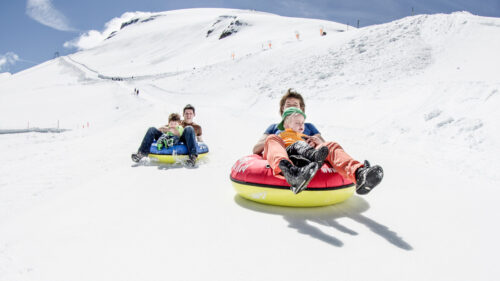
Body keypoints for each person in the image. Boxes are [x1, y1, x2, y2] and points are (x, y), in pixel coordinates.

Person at [252, 89, 383, 195]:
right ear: (282, 109)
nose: (292, 108)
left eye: (295, 106)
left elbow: (324, 147)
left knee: (330, 145)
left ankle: (359, 174)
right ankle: (290, 173)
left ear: (301, 109)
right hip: (284, 154)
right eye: (288, 106)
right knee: (272, 139)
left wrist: (316, 141)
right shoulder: (275, 127)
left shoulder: (308, 127)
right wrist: (282, 137)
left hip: (308, 155)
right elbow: (256, 149)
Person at [276, 106, 330, 194]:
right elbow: (276, 145)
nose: (301, 125)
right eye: (297, 123)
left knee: (301, 154)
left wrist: (312, 144)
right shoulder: (283, 134)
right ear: (286, 125)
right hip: (289, 150)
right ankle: (314, 156)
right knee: (299, 144)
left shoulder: (302, 136)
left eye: (302, 123)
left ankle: (308, 167)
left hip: (297, 155)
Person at [132, 104, 203, 166]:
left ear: (194, 114)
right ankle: (140, 154)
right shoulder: (178, 122)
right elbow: (162, 128)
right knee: (152, 129)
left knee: (189, 128)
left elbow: (200, 141)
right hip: (171, 138)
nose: (188, 115)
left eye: (190, 113)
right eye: (186, 113)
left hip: (182, 140)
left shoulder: (197, 127)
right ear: (183, 114)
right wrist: (169, 129)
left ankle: (192, 157)